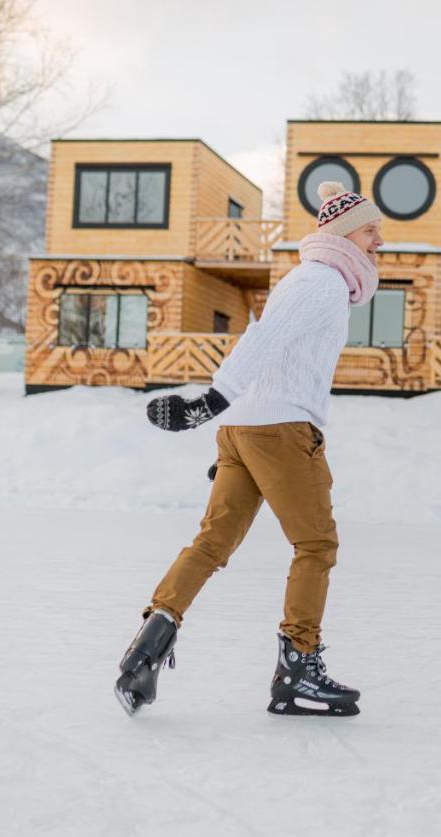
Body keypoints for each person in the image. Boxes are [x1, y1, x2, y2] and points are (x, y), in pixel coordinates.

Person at [114, 181, 383, 718]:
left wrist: (232, 423)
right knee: (317, 545)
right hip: (276, 429)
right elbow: (258, 343)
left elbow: (264, 342)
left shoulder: (307, 280)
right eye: (372, 230)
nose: (379, 242)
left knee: (212, 542)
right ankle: (299, 669)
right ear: (345, 234)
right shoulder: (322, 282)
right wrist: (210, 403)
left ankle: (147, 648)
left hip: (248, 429)